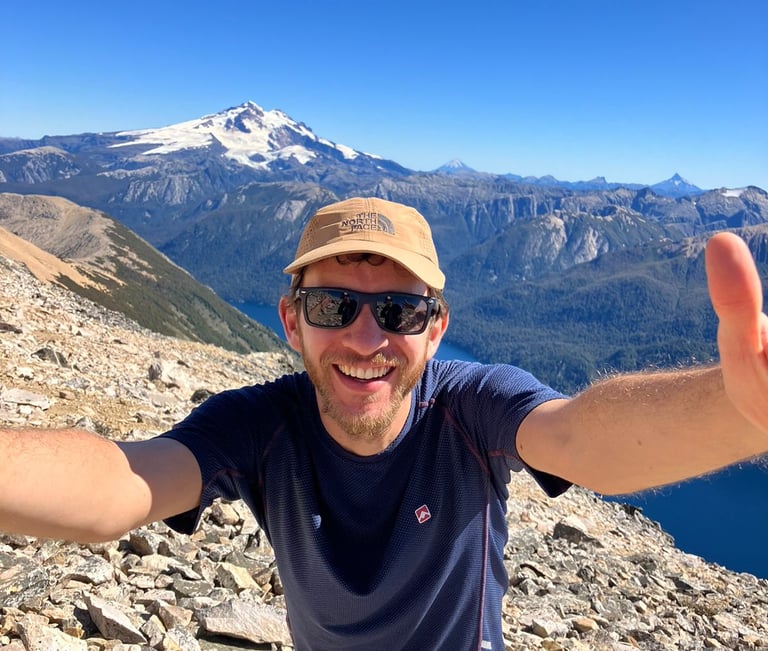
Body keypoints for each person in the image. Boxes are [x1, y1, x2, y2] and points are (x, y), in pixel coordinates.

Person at [1, 196, 767, 650]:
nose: (367, 339)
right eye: (334, 305)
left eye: (399, 311)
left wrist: (736, 407)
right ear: (291, 321)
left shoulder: (472, 407)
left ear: (436, 329)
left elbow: (580, 437)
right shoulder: (259, 426)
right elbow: (121, 483)